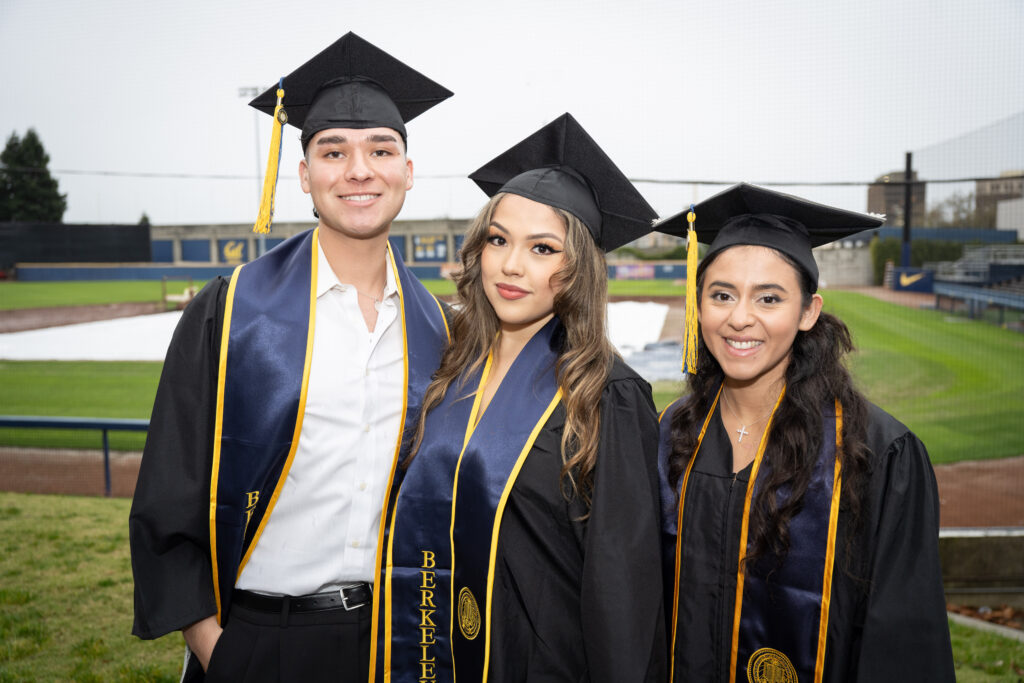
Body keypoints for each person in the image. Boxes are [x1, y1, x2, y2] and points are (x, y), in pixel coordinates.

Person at [129, 33, 452, 682]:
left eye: (381, 150)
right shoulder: (230, 310)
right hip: (258, 641)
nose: (359, 170)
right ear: (304, 174)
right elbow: (169, 495)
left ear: (407, 173)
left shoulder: (441, 327)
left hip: (391, 644)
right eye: (333, 151)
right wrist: (218, 649)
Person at [371, 113, 668, 683]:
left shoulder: (607, 395)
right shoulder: (452, 370)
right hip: (440, 657)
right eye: (499, 240)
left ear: (578, 267)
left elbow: (623, 593)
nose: (510, 265)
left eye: (542, 248)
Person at [655, 183, 955, 682]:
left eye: (769, 298)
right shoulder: (673, 432)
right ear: (698, 305)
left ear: (808, 312)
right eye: (721, 295)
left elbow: (902, 642)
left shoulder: (875, 452)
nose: (740, 318)